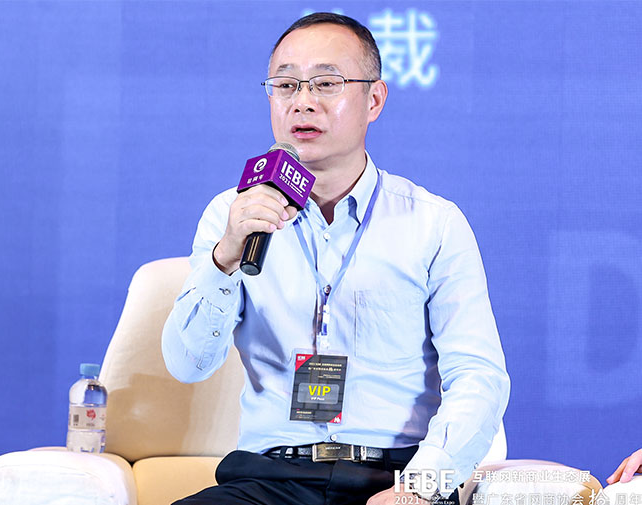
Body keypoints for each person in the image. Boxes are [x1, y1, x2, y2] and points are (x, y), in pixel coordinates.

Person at [162, 12, 510, 505]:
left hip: (396, 477)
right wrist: (225, 258)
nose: (302, 101)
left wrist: (422, 486)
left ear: (374, 100)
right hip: (269, 480)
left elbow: (479, 376)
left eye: (326, 83)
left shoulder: (434, 223)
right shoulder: (233, 214)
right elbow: (188, 364)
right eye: (285, 85)